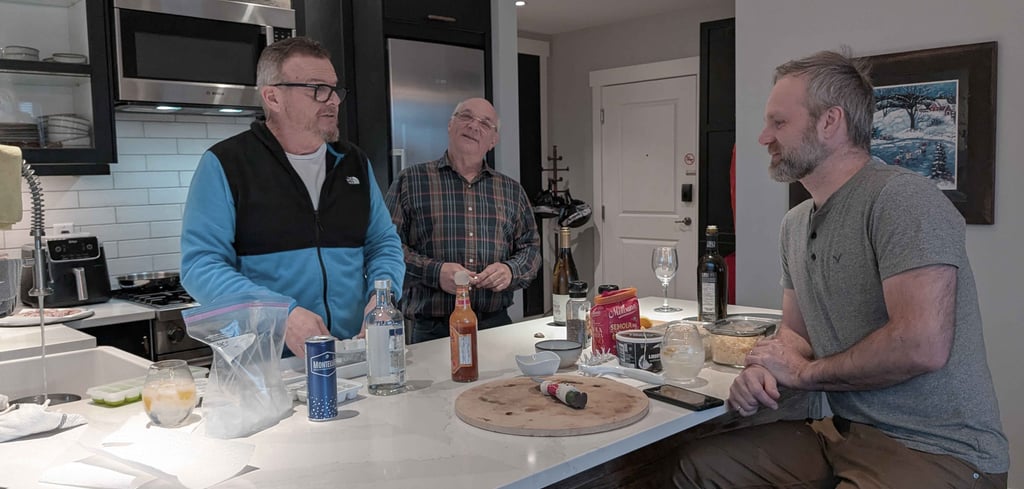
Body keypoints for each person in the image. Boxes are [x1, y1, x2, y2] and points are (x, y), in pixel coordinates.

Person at [672, 50, 1008, 488]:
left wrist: (805, 374)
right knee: (699, 466)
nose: (762, 137)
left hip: (938, 449)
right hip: (842, 431)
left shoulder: (904, 201)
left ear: (830, 122)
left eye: (779, 123)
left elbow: (921, 345)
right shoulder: (795, 224)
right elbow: (797, 333)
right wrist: (764, 367)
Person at [180, 37, 404, 357]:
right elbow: (200, 267)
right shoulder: (225, 164)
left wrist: (382, 298)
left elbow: (383, 243)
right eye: (317, 89)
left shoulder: (353, 162)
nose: (333, 102)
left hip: (352, 353)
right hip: (268, 366)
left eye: (334, 89)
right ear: (272, 97)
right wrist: (280, 314)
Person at [385, 98, 541, 343]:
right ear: (450, 124)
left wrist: (510, 271)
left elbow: (530, 249)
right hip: (433, 330)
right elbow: (388, 248)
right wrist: (435, 272)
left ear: (493, 140)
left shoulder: (511, 190)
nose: (473, 126)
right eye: (466, 117)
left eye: (485, 123)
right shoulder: (411, 181)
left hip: (495, 325)